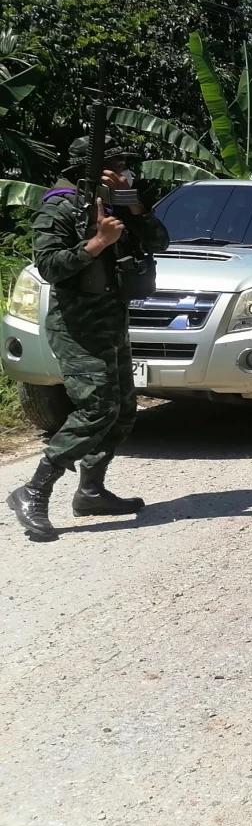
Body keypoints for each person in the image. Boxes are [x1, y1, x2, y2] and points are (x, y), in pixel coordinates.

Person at [7, 138, 170, 542]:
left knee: (123, 408)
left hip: (112, 320)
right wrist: (97, 243)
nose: (124, 171)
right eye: (116, 163)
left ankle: (91, 491)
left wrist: (135, 209)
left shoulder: (118, 206)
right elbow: (49, 266)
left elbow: (159, 243)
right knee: (97, 408)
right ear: (93, 168)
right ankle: (33, 491)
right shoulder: (60, 207)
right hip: (77, 324)